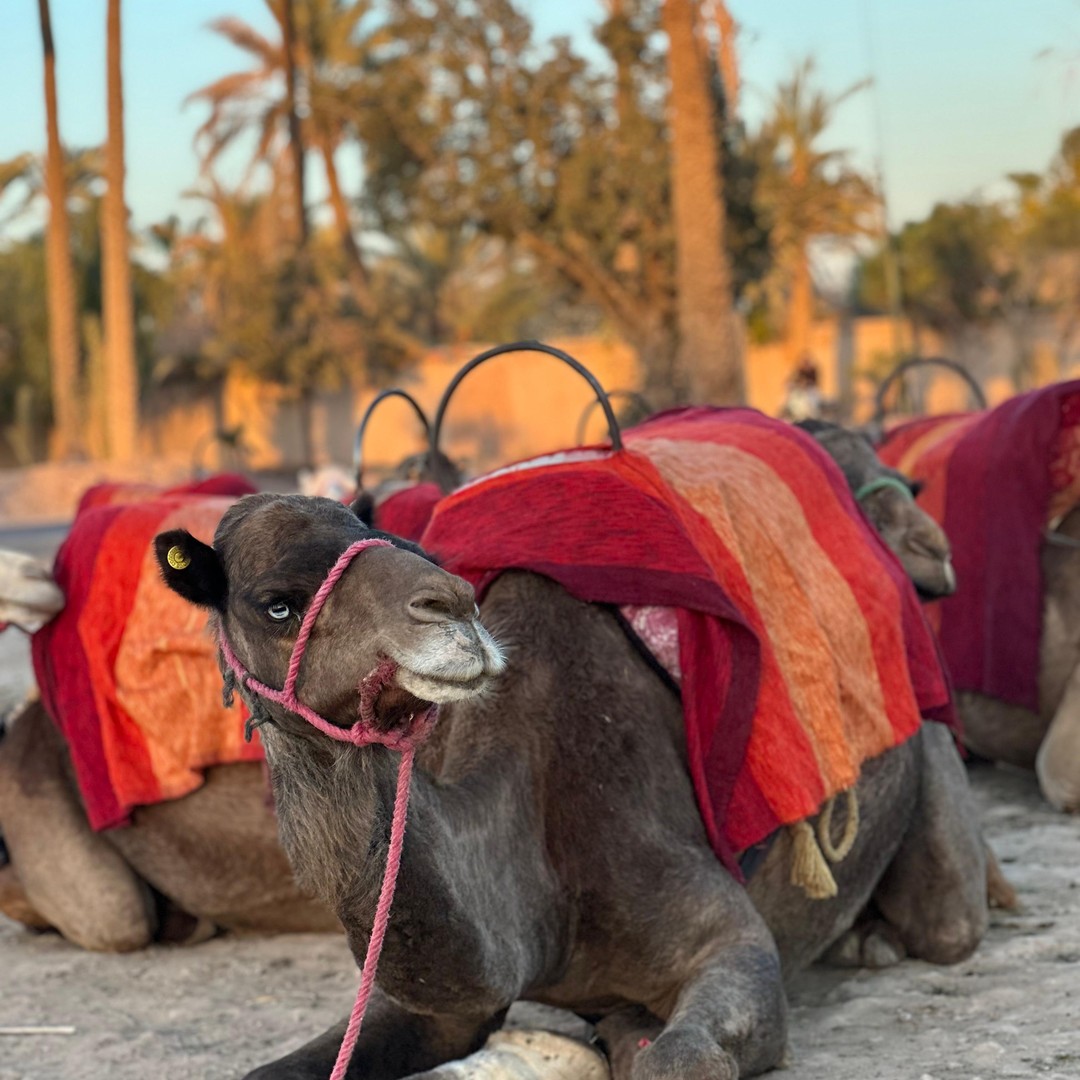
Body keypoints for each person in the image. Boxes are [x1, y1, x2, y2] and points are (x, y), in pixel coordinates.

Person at [781, 353, 824, 422]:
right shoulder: (798, 371)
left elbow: (813, 383)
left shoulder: (812, 371)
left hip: (809, 392)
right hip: (799, 392)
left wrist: (805, 384)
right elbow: (791, 381)